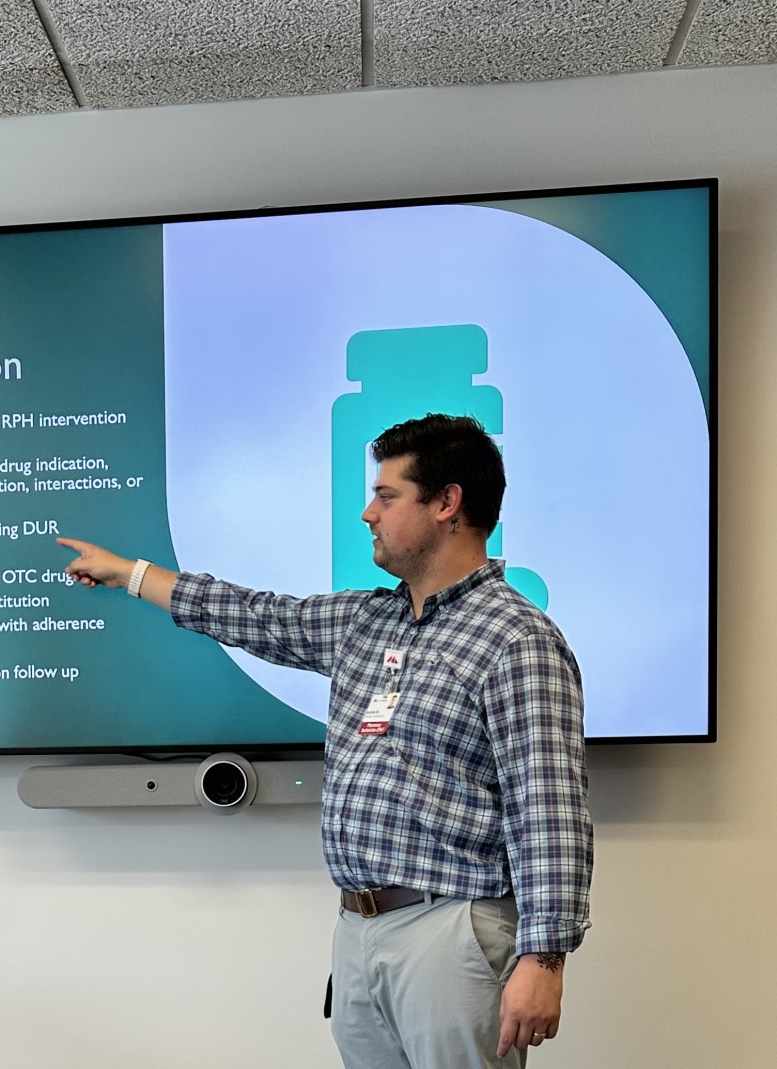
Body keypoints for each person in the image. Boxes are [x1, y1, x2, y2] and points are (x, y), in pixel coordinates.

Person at [58, 412, 592, 1069]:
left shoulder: (515, 638)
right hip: (359, 930)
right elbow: (248, 613)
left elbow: (550, 808)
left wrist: (544, 959)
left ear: (448, 503)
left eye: (387, 496)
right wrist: (128, 574)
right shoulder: (366, 620)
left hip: (451, 929)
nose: (369, 513)